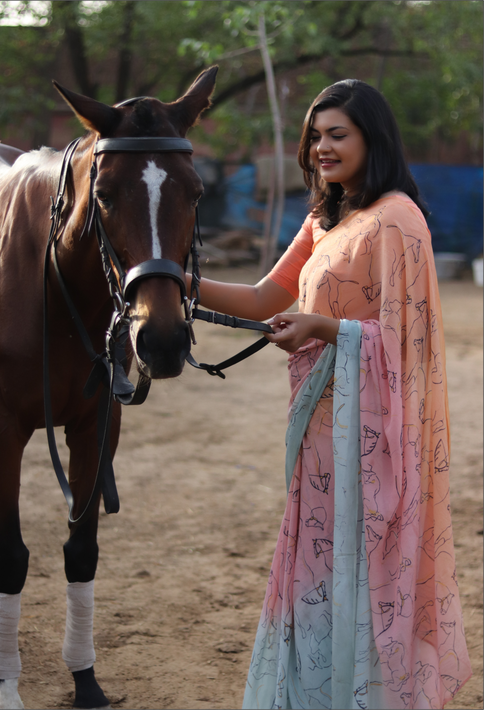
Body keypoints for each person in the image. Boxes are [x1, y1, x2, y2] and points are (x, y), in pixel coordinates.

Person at [189, 79, 471, 709]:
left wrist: (327, 328)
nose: (321, 146)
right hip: (319, 433)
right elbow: (264, 298)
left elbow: (410, 343)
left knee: (364, 566)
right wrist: (173, 280)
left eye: (337, 134)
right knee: (319, 564)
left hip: (372, 439)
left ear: (374, 137)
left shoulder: (397, 219)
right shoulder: (327, 220)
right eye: (315, 135)